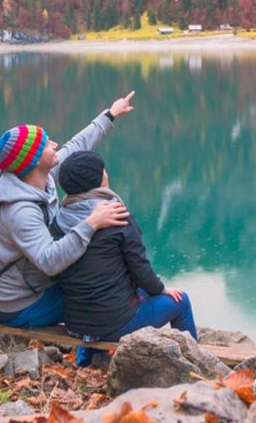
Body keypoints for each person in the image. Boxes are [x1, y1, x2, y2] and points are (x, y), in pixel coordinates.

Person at [0, 92, 136, 329]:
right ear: (35, 159)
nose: (55, 145)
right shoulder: (20, 212)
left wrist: (110, 114)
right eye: (47, 144)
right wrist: (91, 222)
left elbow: (76, 145)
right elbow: (49, 261)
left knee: (110, 285)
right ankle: (95, 352)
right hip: (24, 305)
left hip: (40, 286)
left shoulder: (40, 176)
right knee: (110, 297)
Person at [54, 150, 196, 366]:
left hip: (76, 324)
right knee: (180, 301)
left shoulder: (59, 219)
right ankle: (195, 363)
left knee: (101, 285)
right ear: (100, 179)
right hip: (113, 326)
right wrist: (161, 290)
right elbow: (140, 269)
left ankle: (85, 360)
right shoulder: (117, 217)